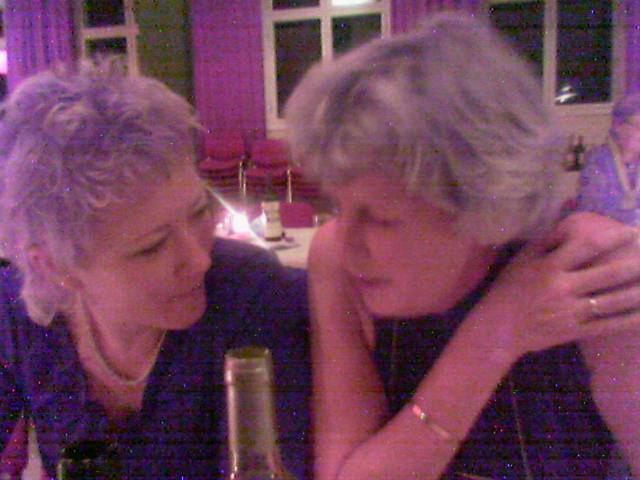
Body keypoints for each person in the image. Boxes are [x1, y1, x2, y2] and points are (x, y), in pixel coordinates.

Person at [285, 12, 640, 480]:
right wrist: (493, 336)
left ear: (482, 206)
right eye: (337, 204)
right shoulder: (337, 261)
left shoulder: (582, 266)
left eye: (381, 217)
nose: (347, 241)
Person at [0, 59, 311, 479]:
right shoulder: (17, 314)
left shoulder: (249, 291)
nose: (199, 259)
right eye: (151, 248)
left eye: (199, 212)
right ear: (56, 265)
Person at [577, 93, 640, 226]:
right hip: (605, 232)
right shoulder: (598, 160)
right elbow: (595, 210)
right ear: (618, 126)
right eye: (638, 126)